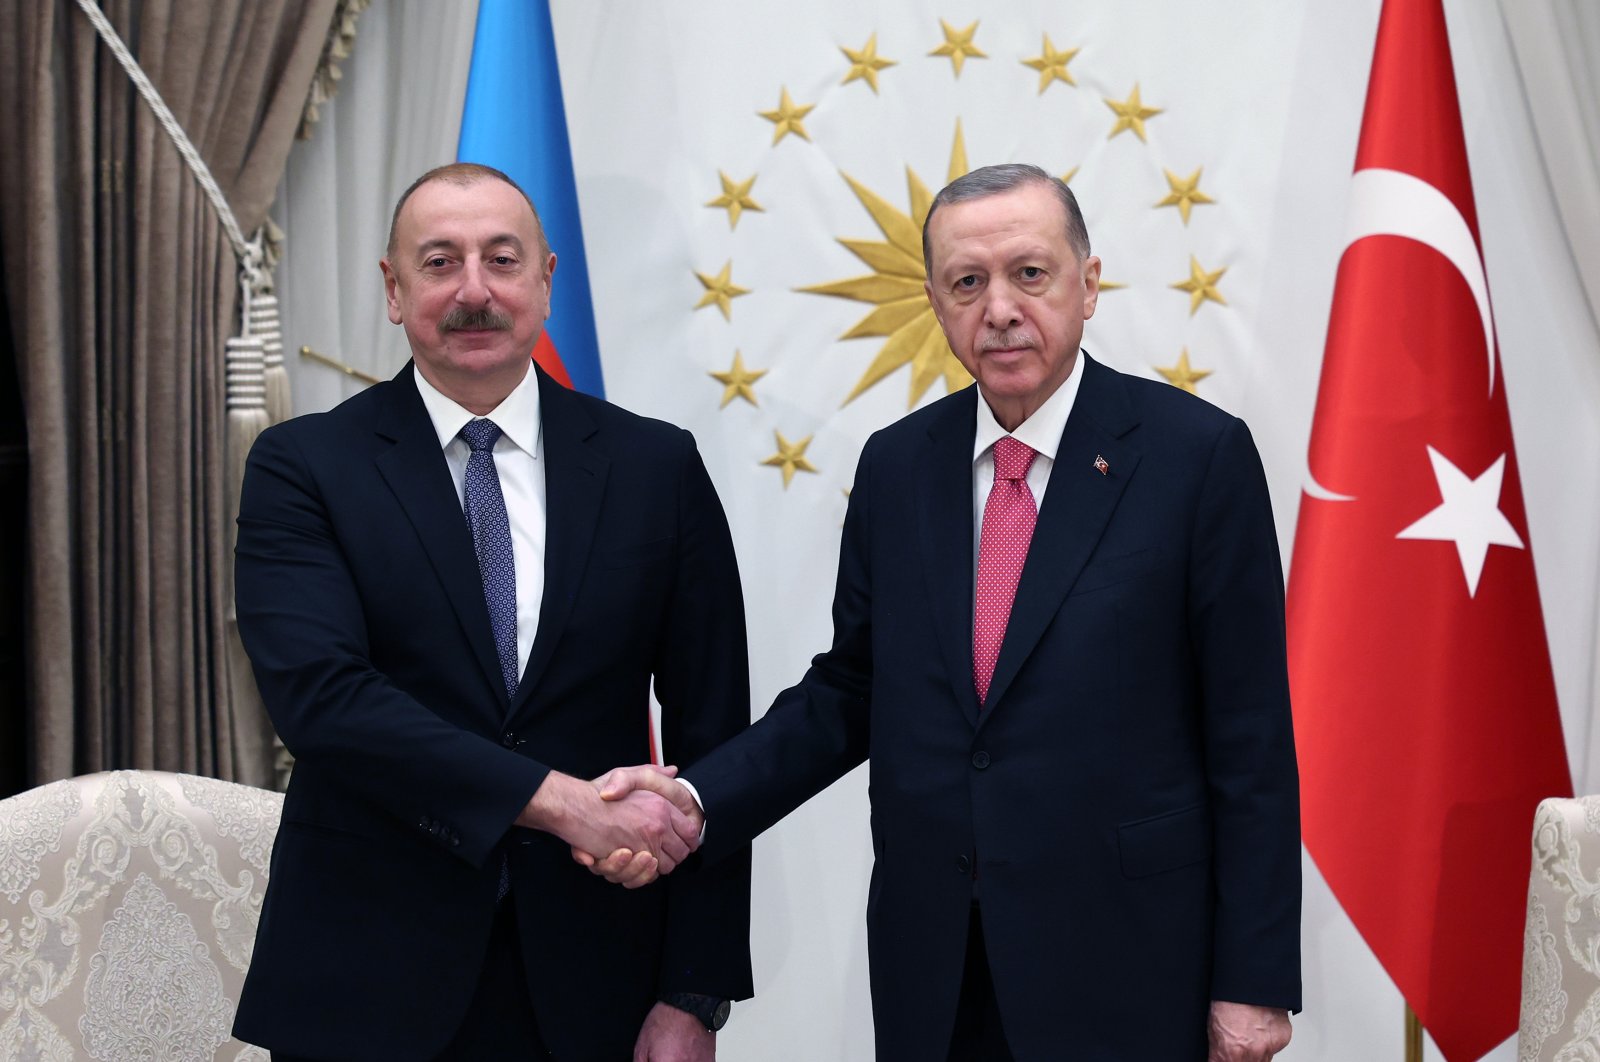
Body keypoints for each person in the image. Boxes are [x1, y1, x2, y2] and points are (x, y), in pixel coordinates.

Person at [591, 164, 1301, 1060]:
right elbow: (851, 689)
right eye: (968, 282)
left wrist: (1255, 979)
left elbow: (1251, 736)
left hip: (1131, 962)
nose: (999, 308)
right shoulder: (898, 467)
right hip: (939, 967)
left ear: (1090, 285)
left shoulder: (1198, 458)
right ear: (936, 302)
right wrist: (696, 799)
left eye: (1029, 274)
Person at [232, 162, 752, 1061]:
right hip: (366, 975)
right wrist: (559, 804)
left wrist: (695, 993)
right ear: (394, 291)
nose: (474, 291)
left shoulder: (655, 469)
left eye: (501, 260)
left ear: (547, 280)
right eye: (440, 263)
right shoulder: (303, 467)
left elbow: (715, 735)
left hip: (602, 979)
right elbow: (322, 700)